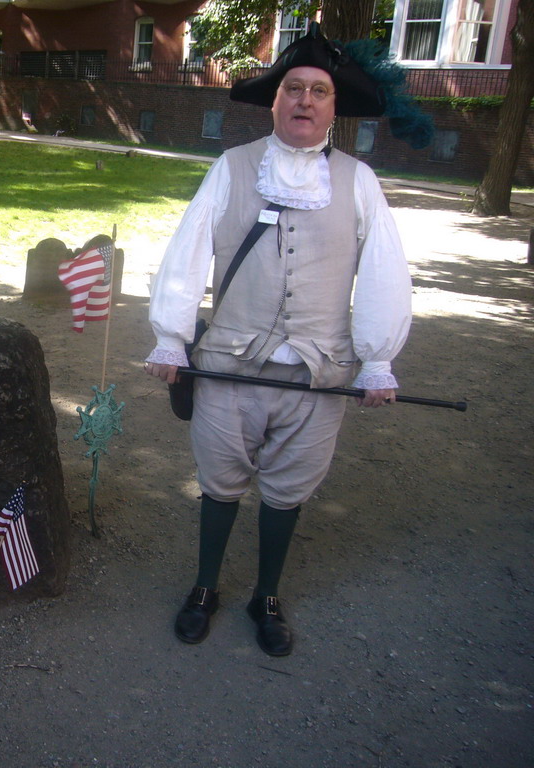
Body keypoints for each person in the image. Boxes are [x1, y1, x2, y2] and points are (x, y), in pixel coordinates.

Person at [144, 23, 414, 658]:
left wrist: (378, 359)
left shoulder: (359, 181)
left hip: (318, 374)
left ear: (333, 107)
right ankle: (205, 587)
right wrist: (171, 338)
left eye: (318, 92)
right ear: (275, 100)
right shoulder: (233, 167)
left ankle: (267, 595)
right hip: (230, 365)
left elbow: (383, 272)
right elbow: (187, 252)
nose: (304, 100)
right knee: (220, 479)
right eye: (293, 88)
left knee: (290, 485)